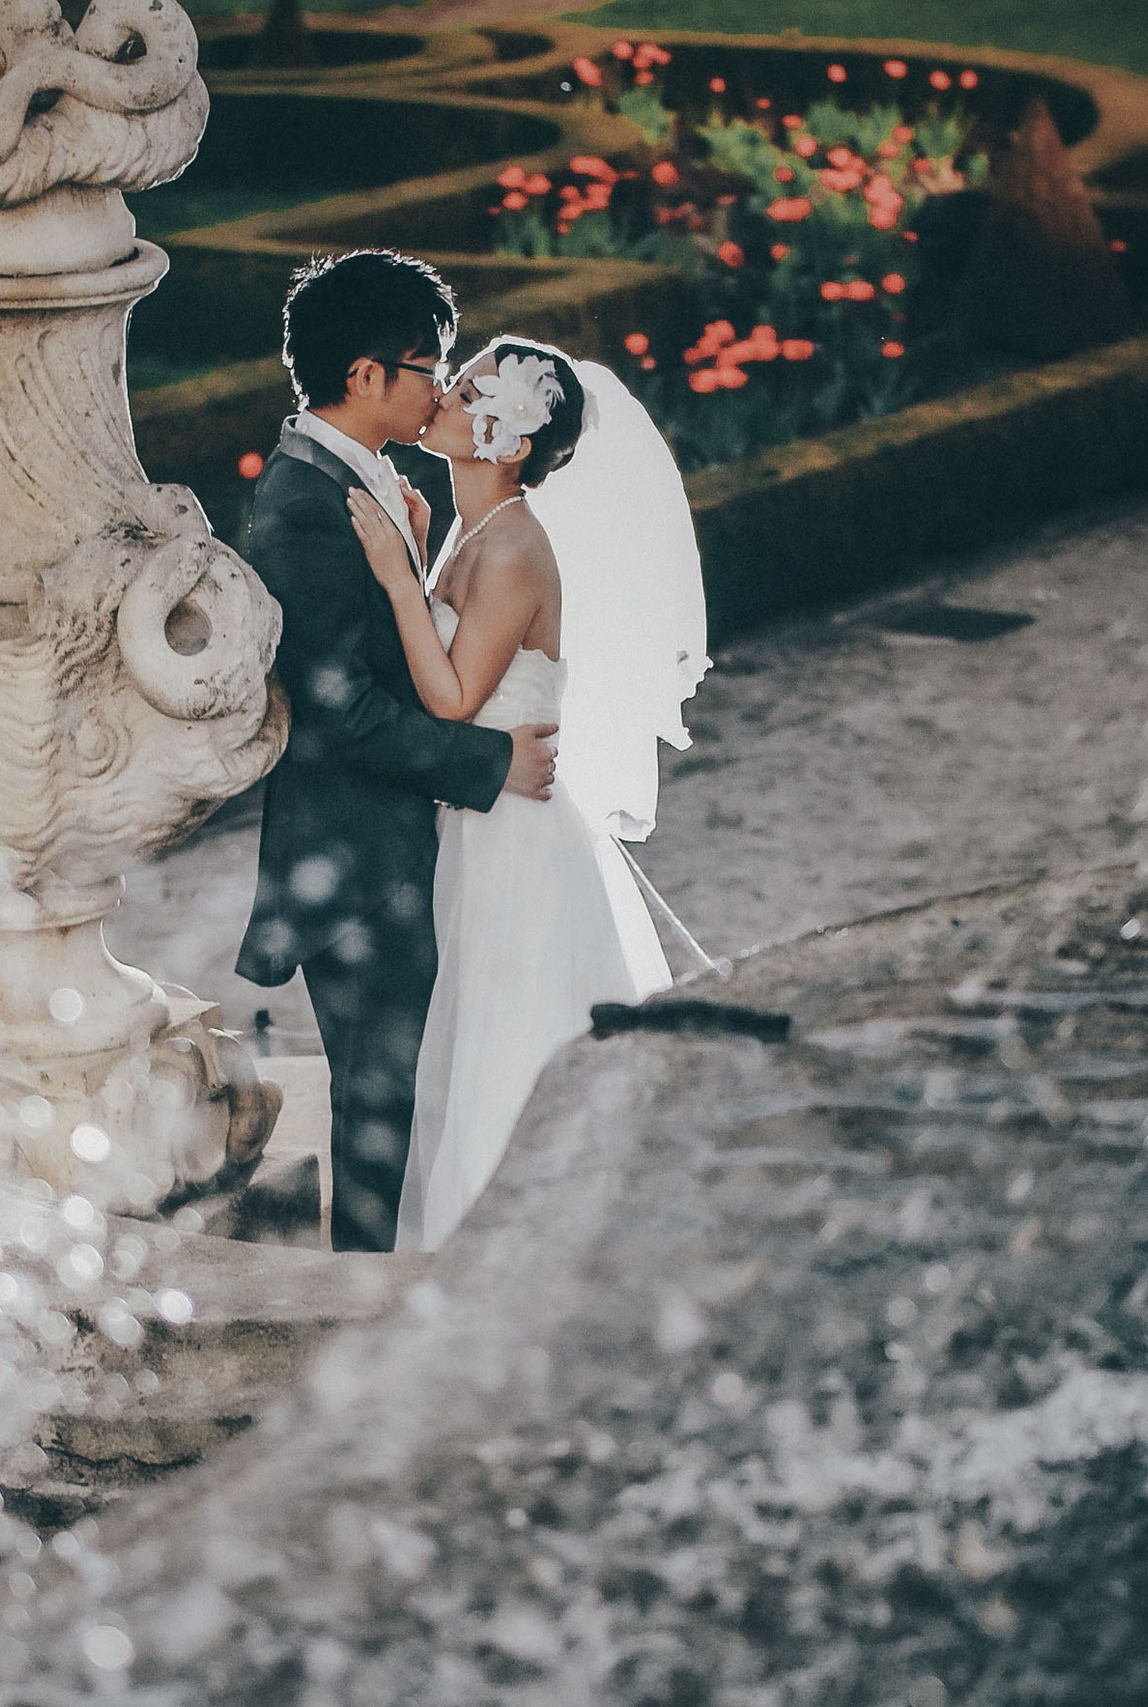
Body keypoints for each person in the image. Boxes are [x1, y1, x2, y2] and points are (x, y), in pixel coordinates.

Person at [342, 336, 714, 1252]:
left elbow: (453, 699)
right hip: (479, 822)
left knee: (503, 1053)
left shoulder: (513, 550)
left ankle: (505, 1259)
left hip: (513, 843)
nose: (444, 394)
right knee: (468, 1047)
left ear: (507, 440)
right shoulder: (476, 534)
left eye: (467, 391)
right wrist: (424, 554)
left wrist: (396, 576)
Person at [234, 252, 561, 1253]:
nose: (440, 388)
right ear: (368, 375)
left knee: (424, 1107)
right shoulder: (302, 509)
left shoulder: (362, 480)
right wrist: (485, 764)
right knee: (386, 1123)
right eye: (430, 366)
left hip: (397, 852)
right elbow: (336, 706)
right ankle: (366, 1320)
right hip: (361, 868)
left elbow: (387, 651)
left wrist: (411, 568)